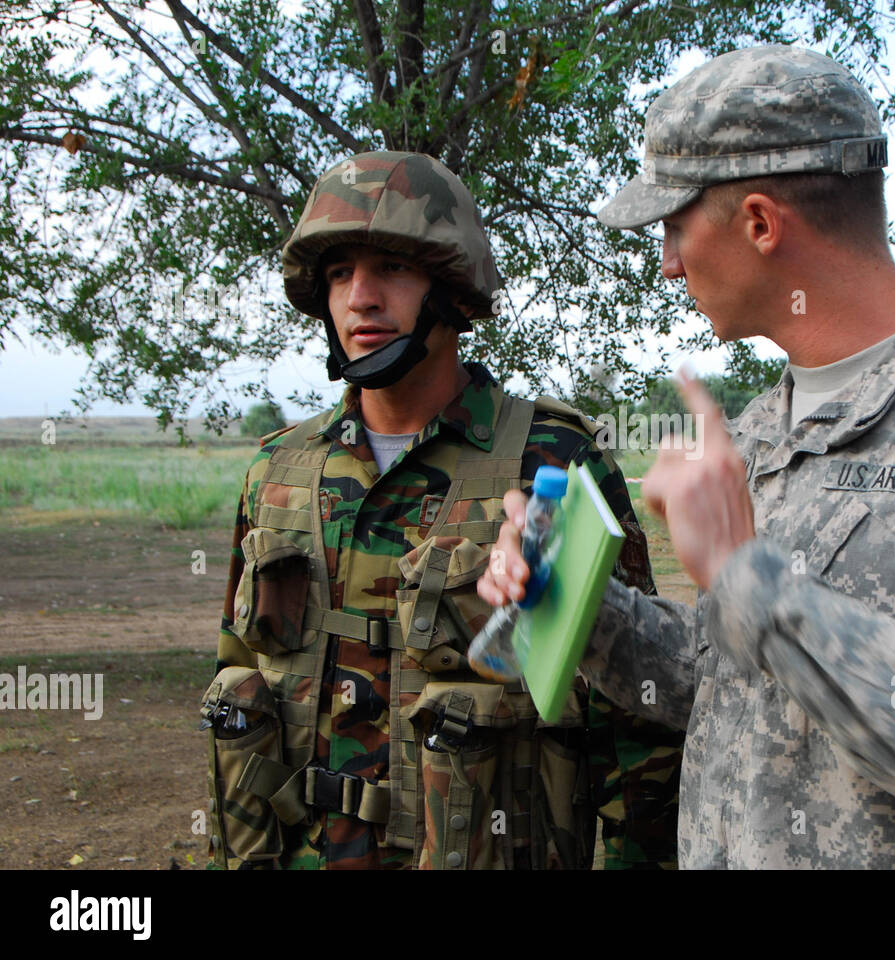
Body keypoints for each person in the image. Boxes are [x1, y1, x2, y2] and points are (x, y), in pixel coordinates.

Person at [478, 46, 895, 868]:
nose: (666, 263)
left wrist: (750, 581)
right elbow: (734, 676)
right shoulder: (766, 426)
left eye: (673, 226)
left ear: (762, 224)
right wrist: (578, 608)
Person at [202, 150, 682, 870]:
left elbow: (634, 722)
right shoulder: (279, 469)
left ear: (453, 290)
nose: (360, 297)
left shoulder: (551, 462)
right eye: (339, 274)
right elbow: (240, 670)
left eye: (391, 268)